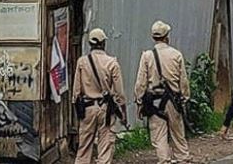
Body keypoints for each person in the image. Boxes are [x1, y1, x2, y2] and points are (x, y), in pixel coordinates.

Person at [134, 21, 191, 164]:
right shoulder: (176, 54)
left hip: (154, 101)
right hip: (174, 99)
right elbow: (183, 80)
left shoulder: (147, 56)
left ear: (154, 37)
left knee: (159, 136)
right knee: (178, 134)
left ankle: (164, 160)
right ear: (167, 36)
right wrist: (184, 97)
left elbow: (141, 82)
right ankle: (182, 159)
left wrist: (139, 101)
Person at [72, 28, 127, 164]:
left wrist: (77, 111)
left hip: (87, 108)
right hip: (106, 109)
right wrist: (123, 112)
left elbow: (76, 91)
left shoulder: (82, 62)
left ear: (90, 44)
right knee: (105, 145)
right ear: (103, 43)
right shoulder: (112, 63)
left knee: (84, 147)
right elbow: (119, 92)